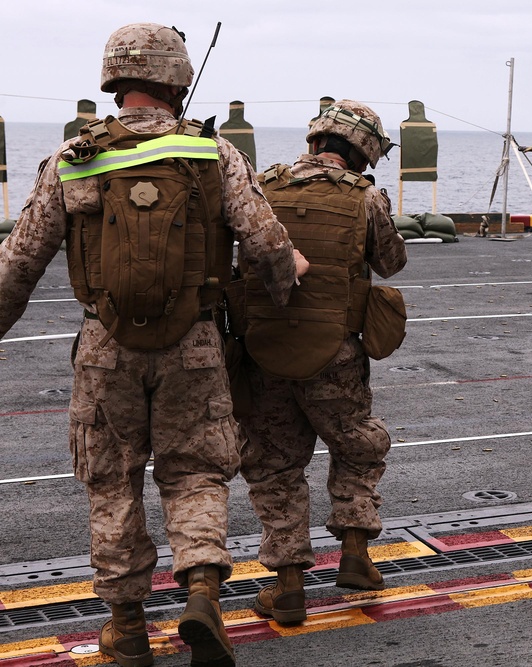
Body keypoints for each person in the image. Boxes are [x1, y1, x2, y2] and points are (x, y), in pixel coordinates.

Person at [0, 23, 308, 667]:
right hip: (194, 342)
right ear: (178, 79)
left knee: (111, 481)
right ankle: (201, 592)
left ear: (114, 79)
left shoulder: (72, 159)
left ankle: (128, 628)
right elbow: (268, 247)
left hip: (103, 347)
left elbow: (18, 264)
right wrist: (288, 283)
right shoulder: (212, 154)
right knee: (195, 472)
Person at [237, 100, 406, 625]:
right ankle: (355, 554)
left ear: (314, 141)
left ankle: (287, 585)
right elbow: (391, 261)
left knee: (273, 462)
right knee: (356, 443)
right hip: (336, 352)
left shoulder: (261, 186)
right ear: (363, 152)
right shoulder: (365, 196)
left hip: (264, 349)